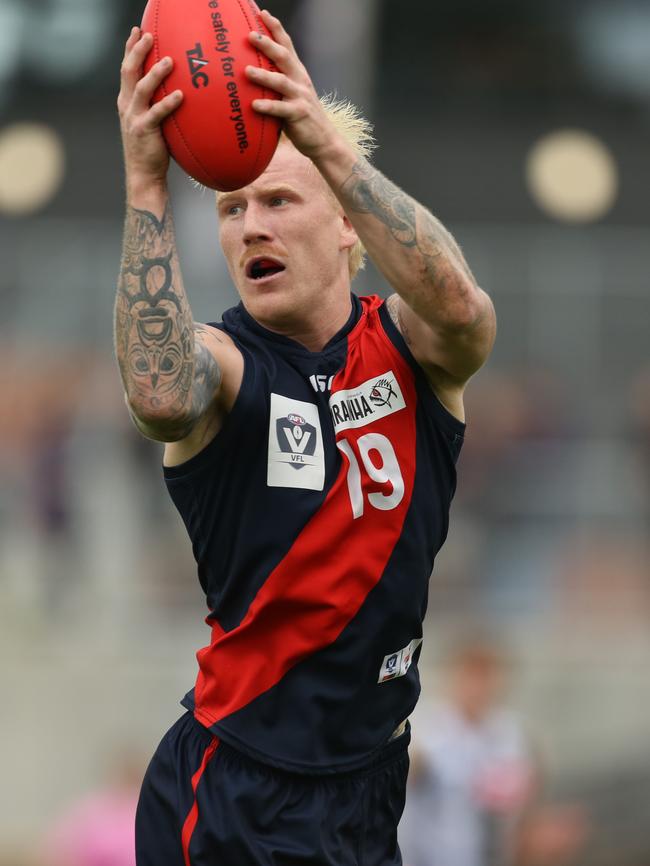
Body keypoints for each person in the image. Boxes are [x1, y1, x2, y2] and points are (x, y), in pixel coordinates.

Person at [115, 9, 496, 866]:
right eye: (232, 207)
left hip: (367, 786)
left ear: (347, 223)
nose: (251, 226)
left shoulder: (409, 351)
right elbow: (159, 397)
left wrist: (327, 146)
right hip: (232, 793)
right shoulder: (227, 364)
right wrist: (146, 182)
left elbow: (463, 309)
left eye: (279, 200)